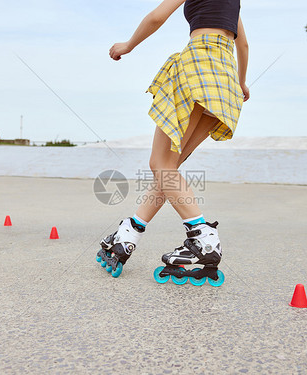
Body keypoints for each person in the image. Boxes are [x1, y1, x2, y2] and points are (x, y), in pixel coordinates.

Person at [96, 0, 249, 285]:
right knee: (169, 169)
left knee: (160, 164)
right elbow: (243, 46)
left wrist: (127, 45)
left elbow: (157, 17)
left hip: (197, 68)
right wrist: (240, 83)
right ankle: (130, 231)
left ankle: (203, 238)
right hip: (224, 80)